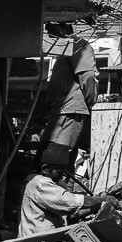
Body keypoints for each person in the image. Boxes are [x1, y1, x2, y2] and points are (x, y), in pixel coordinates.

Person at [37, 30, 98, 168]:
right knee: (61, 160)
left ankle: (54, 188)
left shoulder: (76, 45)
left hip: (69, 111)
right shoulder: (65, 49)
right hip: (65, 110)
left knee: (53, 160)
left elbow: (88, 77)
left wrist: (90, 104)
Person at [17, 162, 106, 237]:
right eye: (59, 172)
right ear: (45, 169)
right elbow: (70, 202)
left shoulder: (33, 182)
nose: (62, 177)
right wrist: (102, 199)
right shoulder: (40, 183)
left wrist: (94, 207)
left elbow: (67, 210)